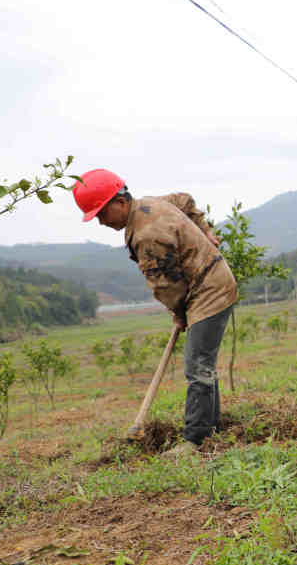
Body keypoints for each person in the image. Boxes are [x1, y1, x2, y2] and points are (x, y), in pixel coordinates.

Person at [73, 169, 237, 455]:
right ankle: (211, 429)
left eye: (101, 214)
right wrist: (206, 230)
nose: (100, 222)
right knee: (203, 364)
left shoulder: (147, 236)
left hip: (209, 291)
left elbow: (166, 286)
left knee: (197, 366)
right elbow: (184, 200)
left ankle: (195, 441)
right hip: (208, 284)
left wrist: (178, 312)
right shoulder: (149, 204)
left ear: (120, 202)